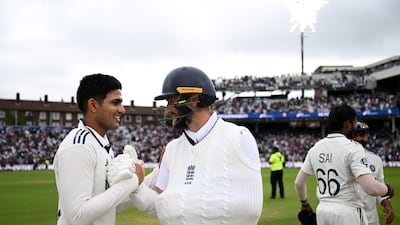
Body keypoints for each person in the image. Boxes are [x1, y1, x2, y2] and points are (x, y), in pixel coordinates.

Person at [131, 66, 263, 225]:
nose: (167, 110)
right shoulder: (171, 149)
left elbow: (247, 210)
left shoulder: (239, 137)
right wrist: (136, 185)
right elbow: (159, 204)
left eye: (172, 101)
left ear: (194, 100)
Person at [53, 73, 144, 225]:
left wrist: (155, 175)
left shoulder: (101, 143)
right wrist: (133, 181)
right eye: (115, 103)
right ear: (93, 105)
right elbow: (77, 217)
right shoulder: (79, 145)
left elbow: (112, 204)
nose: (122, 110)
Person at [294, 104, 395, 225]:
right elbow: (370, 188)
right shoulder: (353, 148)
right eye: (354, 123)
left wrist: (305, 203)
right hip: (348, 210)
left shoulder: (315, 148)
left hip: (323, 210)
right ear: (347, 124)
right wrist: (388, 190)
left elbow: (299, 183)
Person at [353, 121, 395, 225]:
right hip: (349, 218)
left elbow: (380, 187)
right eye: (355, 135)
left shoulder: (375, 160)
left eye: (362, 135)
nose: (358, 138)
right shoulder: (341, 158)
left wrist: (387, 205)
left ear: (367, 136)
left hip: (370, 219)